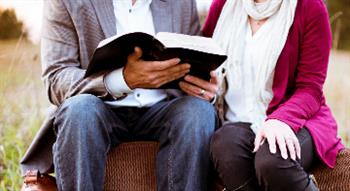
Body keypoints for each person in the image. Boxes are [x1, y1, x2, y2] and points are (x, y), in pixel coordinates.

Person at [20, 0, 219, 190]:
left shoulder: (182, 3)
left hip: (164, 108)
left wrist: (204, 88)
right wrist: (123, 80)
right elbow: (57, 77)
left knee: (198, 111)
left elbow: (194, 60)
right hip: (98, 106)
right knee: (80, 110)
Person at [183, 0, 344, 190]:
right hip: (238, 123)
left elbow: (310, 89)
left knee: (272, 159)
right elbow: (205, 63)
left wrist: (280, 120)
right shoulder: (223, 6)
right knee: (225, 147)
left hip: (297, 120)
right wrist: (205, 88)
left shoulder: (309, 7)